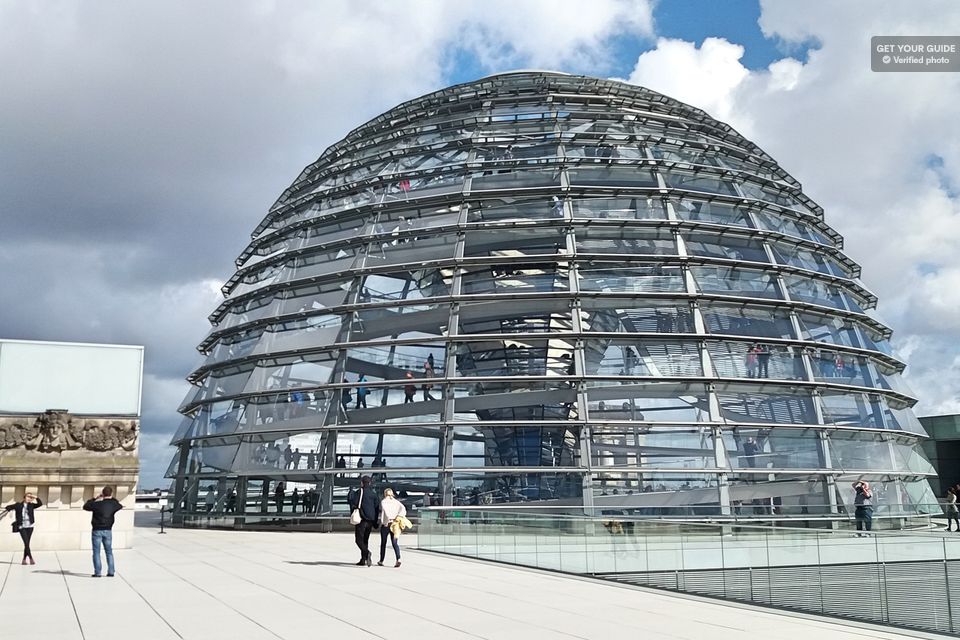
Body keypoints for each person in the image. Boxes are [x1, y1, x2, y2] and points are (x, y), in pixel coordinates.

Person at [83, 486, 123, 577]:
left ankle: (98, 572)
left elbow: (86, 506)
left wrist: (95, 498)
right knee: (109, 551)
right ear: (111, 494)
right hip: (108, 530)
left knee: (96, 552)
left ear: (103, 493)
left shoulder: (97, 504)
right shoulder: (113, 504)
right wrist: (111, 498)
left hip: (97, 530)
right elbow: (119, 505)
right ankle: (111, 571)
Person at [348, 476, 381, 566]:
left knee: (359, 540)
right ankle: (363, 559)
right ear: (370, 483)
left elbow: (353, 504)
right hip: (370, 520)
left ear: (362, 483)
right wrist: (375, 522)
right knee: (365, 540)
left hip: (361, 520)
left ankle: (367, 553)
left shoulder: (359, 492)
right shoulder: (374, 494)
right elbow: (377, 508)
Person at [3, 492, 43, 565]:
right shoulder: (18, 505)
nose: (29, 498)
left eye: (30, 498)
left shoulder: (31, 505)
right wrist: (8, 511)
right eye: (28, 497)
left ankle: (24, 559)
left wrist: (35, 497)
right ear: (24, 497)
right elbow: (8, 507)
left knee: (27, 543)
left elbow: (40, 504)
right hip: (22, 527)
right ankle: (30, 558)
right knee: (26, 543)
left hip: (30, 526)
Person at [378, 488, 407, 568]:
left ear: (385, 494)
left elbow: (385, 513)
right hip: (395, 523)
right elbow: (403, 509)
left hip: (387, 524)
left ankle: (381, 560)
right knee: (395, 542)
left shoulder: (384, 502)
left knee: (383, 543)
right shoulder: (396, 502)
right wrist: (399, 516)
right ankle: (398, 559)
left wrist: (385, 522)